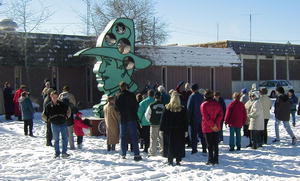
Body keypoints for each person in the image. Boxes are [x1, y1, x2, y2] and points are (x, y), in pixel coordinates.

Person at [115, 81, 142, 161]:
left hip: (123, 118)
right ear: (126, 86)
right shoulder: (132, 95)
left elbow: (116, 108)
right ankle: (136, 154)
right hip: (132, 117)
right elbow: (136, 105)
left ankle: (123, 153)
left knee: (123, 136)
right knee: (134, 136)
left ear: (120, 87)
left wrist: (121, 112)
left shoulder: (118, 96)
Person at [160, 91, 188, 166]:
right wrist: (186, 130)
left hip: (168, 130)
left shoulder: (166, 107)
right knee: (178, 144)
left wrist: (161, 129)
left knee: (169, 145)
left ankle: (170, 160)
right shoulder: (182, 109)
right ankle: (178, 160)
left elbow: (163, 120)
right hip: (179, 130)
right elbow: (185, 121)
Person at [43, 91, 71, 158]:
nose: (54, 98)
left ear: (58, 97)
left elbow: (69, 111)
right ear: (51, 97)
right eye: (53, 97)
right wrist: (48, 120)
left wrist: (67, 117)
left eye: (56, 97)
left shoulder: (62, 104)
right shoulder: (48, 106)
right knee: (56, 139)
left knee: (65, 138)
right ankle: (57, 153)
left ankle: (64, 153)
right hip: (54, 124)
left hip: (63, 123)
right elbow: (44, 115)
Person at [200, 90, 223, 165]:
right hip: (216, 127)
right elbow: (220, 114)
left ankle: (210, 159)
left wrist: (212, 125)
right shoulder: (217, 104)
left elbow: (206, 117)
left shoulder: (204, 105)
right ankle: (216, 159)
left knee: (209, 144)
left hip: (207, 127)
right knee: (215, 144)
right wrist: (216, 124)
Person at [187, 83, 206, 154]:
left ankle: (194, 149)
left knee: (194, 135)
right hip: (202, 118)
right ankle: (204, 148)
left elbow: (189, 109)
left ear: (192, 89)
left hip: (193, 119)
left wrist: (188, 120)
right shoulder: (202, 96)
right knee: (202, 135)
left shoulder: (191, 97)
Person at [145, 92, 165, 156]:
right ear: (160, 97)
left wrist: (150, 121)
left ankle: (152, 153)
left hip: (153, 124)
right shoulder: (164, 105)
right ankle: (163, 152)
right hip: (162, 125)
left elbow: (147, 115)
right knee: (162, 139)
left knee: (153, 139)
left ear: (154, 97)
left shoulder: (151, 105)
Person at [58, 86, 77, 150]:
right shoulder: (71, 96)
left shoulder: (60, 96)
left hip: (62, 117)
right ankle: (72, 146)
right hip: (69, 116)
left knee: (63, 133)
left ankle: (64, 146)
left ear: (63, 90)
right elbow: (74, 105)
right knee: (70, 133)